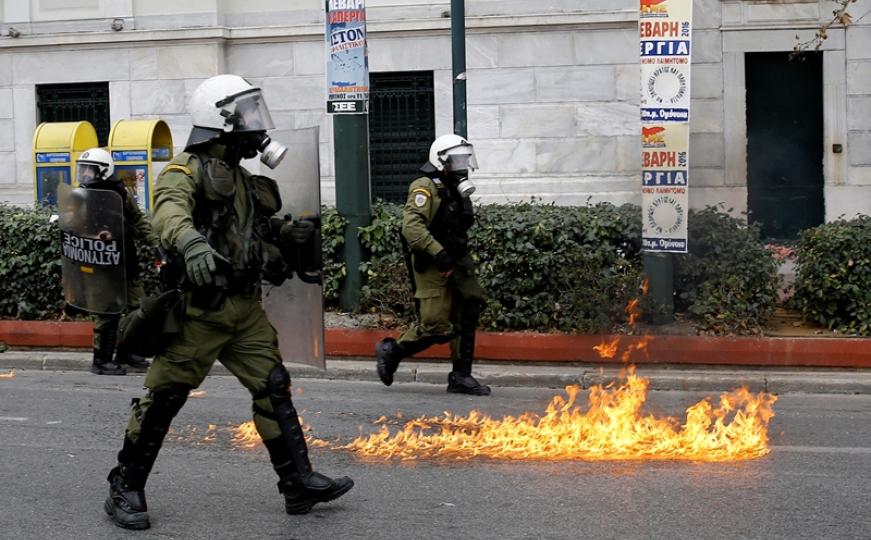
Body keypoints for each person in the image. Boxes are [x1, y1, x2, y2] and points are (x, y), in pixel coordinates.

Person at [102, 75, 352, 530]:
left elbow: (250, 233)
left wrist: (286, 235)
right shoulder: (184, 170)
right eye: (248, 115)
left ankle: (297, 484)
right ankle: (125, 484)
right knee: (165, 398)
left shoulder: (241, 179)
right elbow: (169, 215)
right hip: (200, 310)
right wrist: (192, 245)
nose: (257, 125)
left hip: (245, 310)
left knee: (272, 386)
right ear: (219, 120)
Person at [374, 134, 491, 396]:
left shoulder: (457, 189)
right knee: (436, 325)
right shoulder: (425, 186)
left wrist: (454, 256)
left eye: (465, 158)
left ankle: (461, 376)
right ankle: (392, 351)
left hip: (458, 262)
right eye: (457, 159)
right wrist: (438, 253)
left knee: (468, 310)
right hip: (433, 263)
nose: (462, 164)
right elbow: (411, 227)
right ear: (441, 160)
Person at [75, 148, 157, 375]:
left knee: (138, 309)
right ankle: (100, 360)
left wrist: (157, 244)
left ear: (103, 171)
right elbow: (73, 230)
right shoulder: (80, 197)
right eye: (82, 169)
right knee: (106, 312)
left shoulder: (120, 192)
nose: (84, 175)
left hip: (125, 259)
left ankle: (127, 353)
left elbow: (137, 221)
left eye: (89, 170)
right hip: (100, 264)